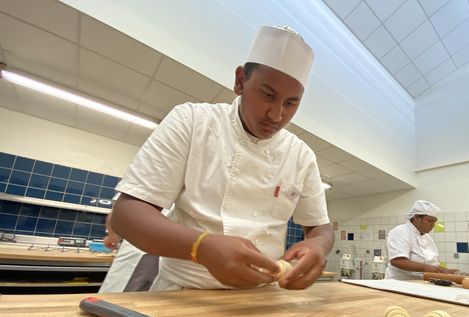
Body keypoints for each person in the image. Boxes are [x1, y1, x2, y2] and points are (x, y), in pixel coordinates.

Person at [111, 26, 334, 291]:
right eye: (268, 95)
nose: (276, 115)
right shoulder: (192, 121)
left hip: (264, 299)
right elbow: (126, 214)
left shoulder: (301, 156)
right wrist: (200, 247)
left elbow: (321, 229)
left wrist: (318, 245)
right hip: (184, 293)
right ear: (240, 80)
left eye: (290, 103)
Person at [385, 200, 458, 280]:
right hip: (399, 283)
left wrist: (445, 271)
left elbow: (429, 264)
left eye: (434, 222)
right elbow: (397, 261)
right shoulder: (401, 231)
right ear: (416, 218)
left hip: (419, 283)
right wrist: (428, 268)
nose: (433, 225)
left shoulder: (428, 238)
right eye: (430, 221)